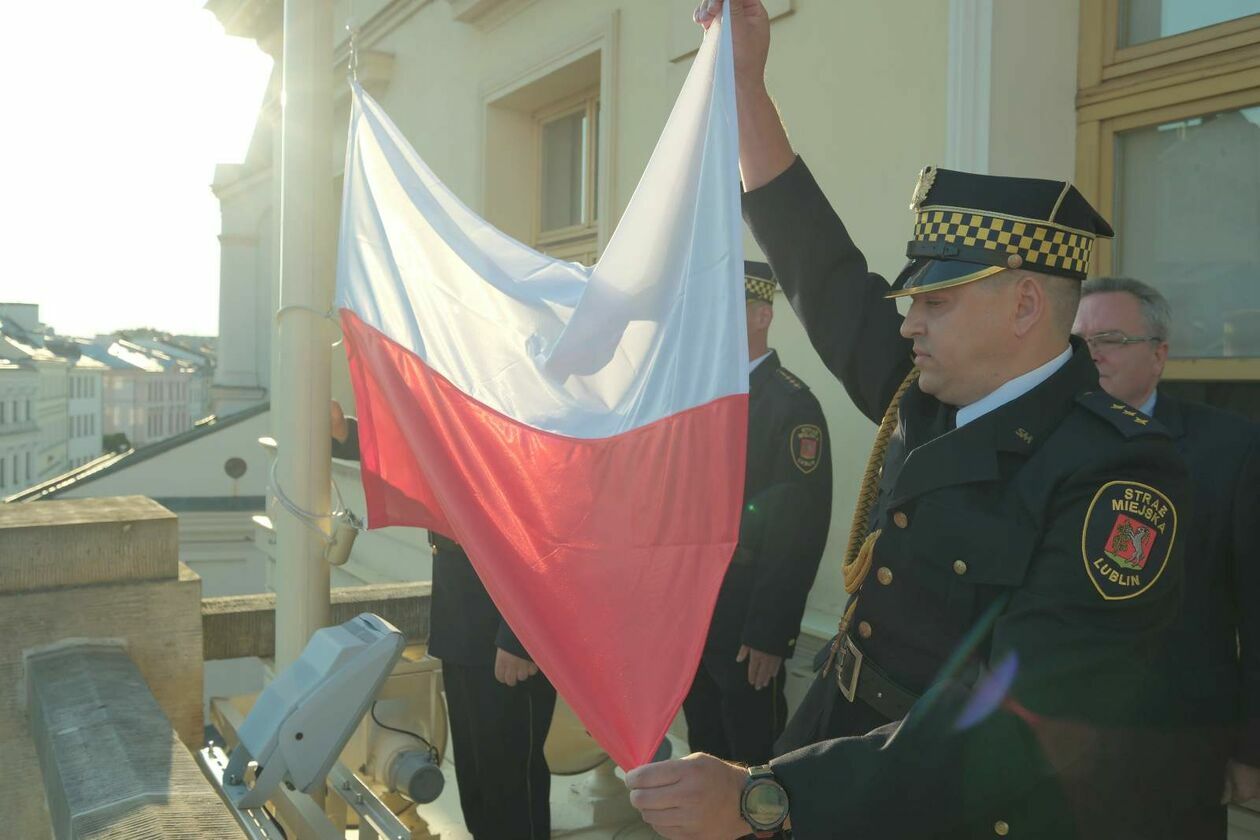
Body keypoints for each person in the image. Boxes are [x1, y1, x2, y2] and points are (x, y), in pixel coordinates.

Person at [624, 2, 1196, 838]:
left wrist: (765, 798)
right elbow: (819, 268)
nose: (907, 322)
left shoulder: (1120, 474)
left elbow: (1011, 728)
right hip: (839, 731)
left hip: (948, 797)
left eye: (935, 300)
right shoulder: (922, 393)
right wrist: (745, 84)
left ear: (1026, 304)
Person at [1074, 276, 1260, 824]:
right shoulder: (1033, 444)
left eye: (1110, 338)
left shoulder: (1231, 449)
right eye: (1078, 342)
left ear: (1159, 355)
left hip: (1179, 746)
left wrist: (1251, 747)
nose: (1092, 355)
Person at [331, 403, 555, 840]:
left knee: (512, 780)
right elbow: (420, 452)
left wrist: (520, 637)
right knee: (476, 775)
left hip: (506, 633)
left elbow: (544, 535)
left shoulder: (523, 411)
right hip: (461, 623)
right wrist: (345, 434)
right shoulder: (468, 409)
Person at [682, 261, 832, 766]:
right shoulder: (703, 396)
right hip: (696, 607)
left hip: (748, 614)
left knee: (752, 759)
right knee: (704, 744)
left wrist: (770, 632)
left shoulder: (790, 405)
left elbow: (797, 530)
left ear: (762, 315)